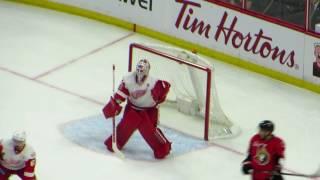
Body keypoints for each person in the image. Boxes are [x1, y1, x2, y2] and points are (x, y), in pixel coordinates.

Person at [102, 59, 172, 159]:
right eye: (138, 70)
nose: (140, 74)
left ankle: (162, 147)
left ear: (147, 71)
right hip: (132, 108)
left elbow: (161, 96)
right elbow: (120, 95)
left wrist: (160, 94)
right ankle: (116, 142)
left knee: (150, 131)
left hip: (149, 111)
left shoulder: (155, 83)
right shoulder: (127, 79)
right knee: (126, 126)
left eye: (142, 71)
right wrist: (114, 105)